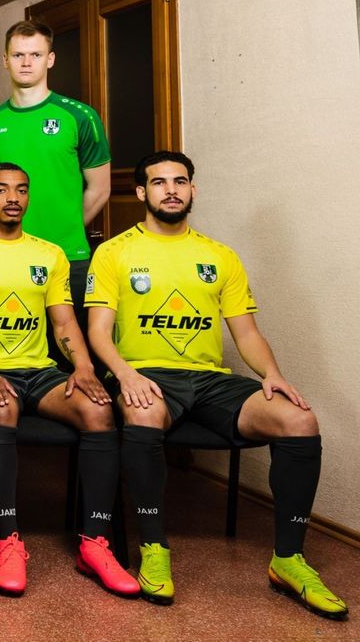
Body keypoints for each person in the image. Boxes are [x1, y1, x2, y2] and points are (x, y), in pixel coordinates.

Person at [86, 152, 346, 617]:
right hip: (146, 373)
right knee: (144, 411)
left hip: (209, 380)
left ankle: (289, 559)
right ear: (141, 192)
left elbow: (246, 334)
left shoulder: (219, 256)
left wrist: (272, 375)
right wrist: (125, 374)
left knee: (299, 420)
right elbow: (98, 332)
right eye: (159, 182)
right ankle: (153, 548)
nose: (171, 190)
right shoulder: (115, 252)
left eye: (180, 181)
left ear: (193, 190)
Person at [0, 163, 134, 597]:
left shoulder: (50, 254)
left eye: (21, 190)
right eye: (1, 190)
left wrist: (83, 367)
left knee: (99, 410)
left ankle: (95, 543)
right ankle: (8, 540)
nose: (13, 198)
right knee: (0, 406)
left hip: (39, 371)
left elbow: (63, 322)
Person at [0, 20, 111, 313]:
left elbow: (100, 189)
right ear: (5, 60)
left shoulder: (80, 117)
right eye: (18, 55)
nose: (26, 63)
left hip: (67, 255)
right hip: (5, 256)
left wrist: (65, 228)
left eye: (35, 55)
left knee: (72, 339)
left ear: (50, 59)